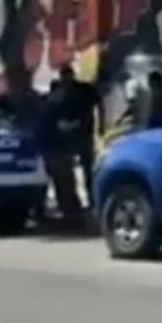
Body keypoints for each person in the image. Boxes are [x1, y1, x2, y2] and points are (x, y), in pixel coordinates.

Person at [35, 81, 83, 226]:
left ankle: (40, 212)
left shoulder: (44, 105)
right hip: (57, 149)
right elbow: (63, 126)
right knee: (65, 182)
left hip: (45, 148)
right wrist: (76, 124)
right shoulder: (57, 106)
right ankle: (71, 215)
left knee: (47, 183)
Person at [56, 64, 101, 200]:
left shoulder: (84, 90)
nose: (66, 80)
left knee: (87, 169)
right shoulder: (58, 90)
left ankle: (90, 197)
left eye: (68, 77)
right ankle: (72, 199)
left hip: (82, 133)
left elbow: (98, 105)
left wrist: (101, 124)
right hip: (66, 135)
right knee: (66, 171)